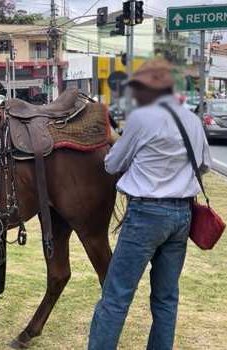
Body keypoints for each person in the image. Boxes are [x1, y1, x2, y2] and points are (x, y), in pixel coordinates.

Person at [88, 58, 212, 350]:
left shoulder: (143, 118)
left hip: (146, 214)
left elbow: (112, 164)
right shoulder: (192, 120)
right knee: (166, 299)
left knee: (116, 296)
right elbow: (204, 166)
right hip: (182, 215)